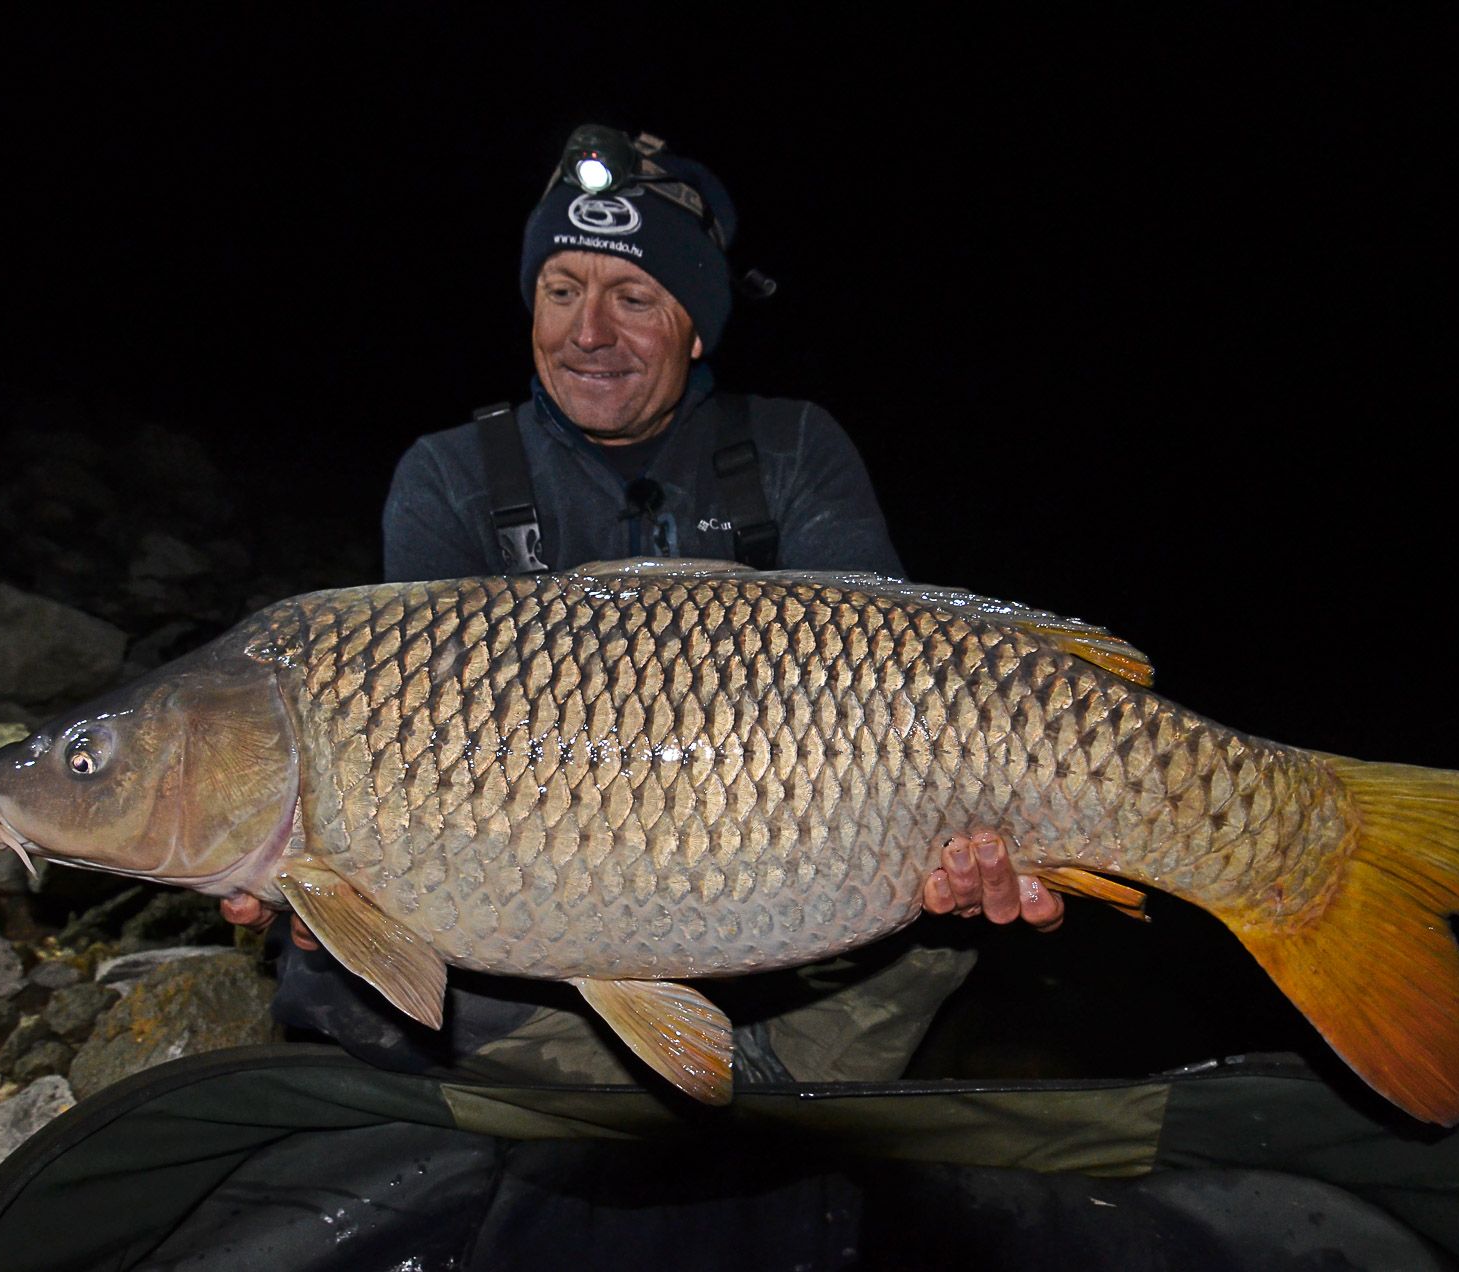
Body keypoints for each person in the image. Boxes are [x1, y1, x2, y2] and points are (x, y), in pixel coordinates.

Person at [222, 126, 1062, 1086]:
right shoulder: (449, 476)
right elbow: (407, 755)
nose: (589, 332)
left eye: (633, 297)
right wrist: (324, 892)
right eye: (561, 290)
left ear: (697, 324)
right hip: (540, 904)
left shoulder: (793, 452)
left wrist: (970, 861)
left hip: (799, 887)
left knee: (943, 920)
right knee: (333, 966)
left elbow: (903, 684)